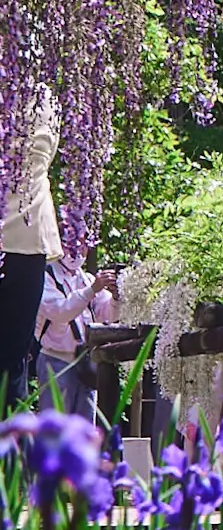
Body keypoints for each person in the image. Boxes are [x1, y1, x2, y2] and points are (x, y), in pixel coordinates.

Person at [0, 84, 63, 412]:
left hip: (25, 239)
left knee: (12, 362)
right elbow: (45, 156)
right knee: (12, 361)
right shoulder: (43, 96)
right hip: (28, 236)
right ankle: (13, 453)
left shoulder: (41, 96)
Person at [36, 252, 117, 419]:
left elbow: (107, 316)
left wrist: (116, 297)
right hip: (55, 362)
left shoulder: (86, 279)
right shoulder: (46, 277)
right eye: (73, 240)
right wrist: (92, 290)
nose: (78, 250)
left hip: (86, 363)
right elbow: (61, 311)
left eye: (83, 242)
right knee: (55, 429)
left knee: (84, 431)